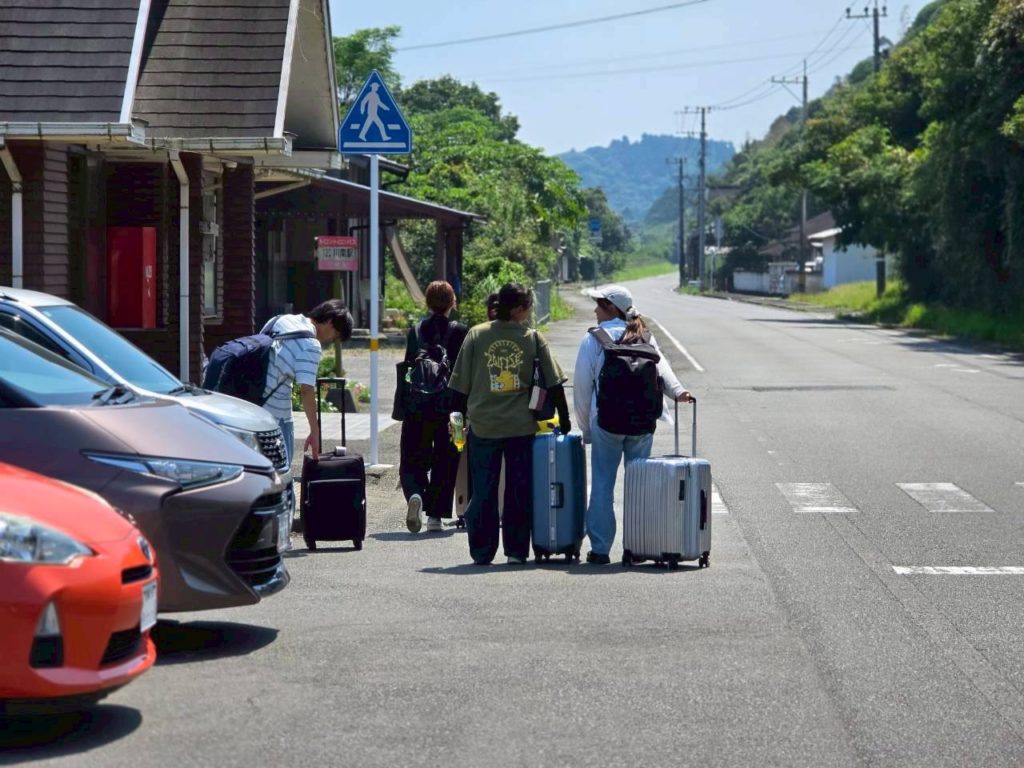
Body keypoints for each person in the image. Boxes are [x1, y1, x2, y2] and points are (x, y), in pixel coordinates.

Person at [448, 283, 570, 565]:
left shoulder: (477, 335)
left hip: (482, 427)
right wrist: (564, 421)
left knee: (484, 490)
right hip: (520, 428)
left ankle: (482, 552)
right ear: (517, 309)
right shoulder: (532, 338)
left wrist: (456, 422)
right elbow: (554, 384)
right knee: (519, 490)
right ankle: (516, 551)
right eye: (528, 306)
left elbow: (458, 388)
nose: (530, 312)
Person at [573, 284, 693, 565]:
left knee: (602, 483)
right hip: (641, 423)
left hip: (606, 422)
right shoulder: (643, 336)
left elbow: (581, 389)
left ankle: (600, 550)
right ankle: (637, 547)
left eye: (598, 305)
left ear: (611, 308)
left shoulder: (594, 339)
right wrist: (679, 393)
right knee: (639, 486)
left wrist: (586, 428)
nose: (594, 310)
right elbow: (663, 370)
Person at [401, 281, 469, 533]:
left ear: (427, 302)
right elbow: (466, 373)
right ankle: (435, 518)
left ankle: (416, 494)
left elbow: (407, 370)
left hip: (417, 406)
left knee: (411, 458)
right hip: (453, 409)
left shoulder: (416, 330)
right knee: (448, 459)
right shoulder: (462, 331)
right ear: (453, 302)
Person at [261, 299, 353, 464]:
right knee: (281, 474)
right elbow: (306, 390)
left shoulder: (280, 319)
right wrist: (314, 431)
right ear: (330, 322)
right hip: (276, 414)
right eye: (335, 336)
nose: (330, 340)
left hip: (251, 406)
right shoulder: (310, 343)